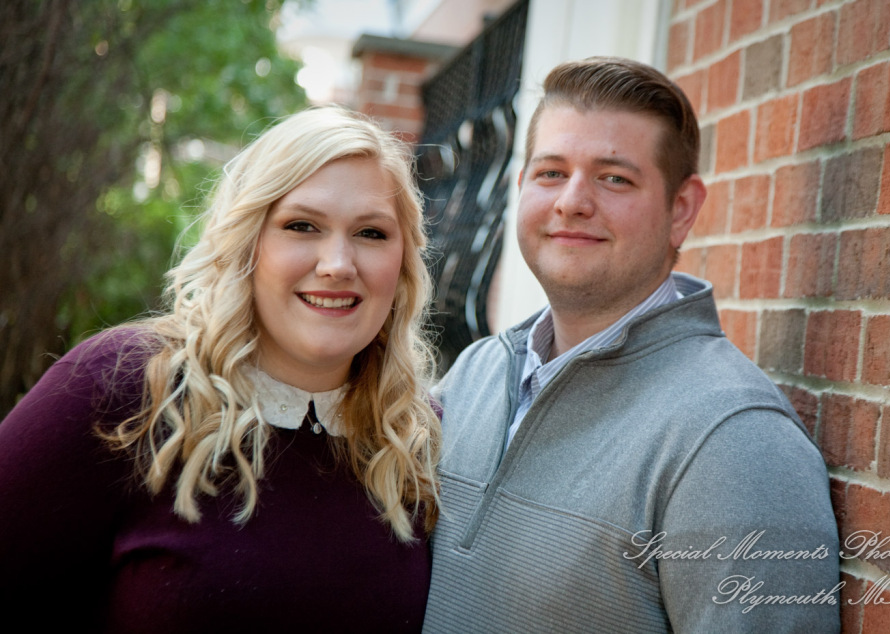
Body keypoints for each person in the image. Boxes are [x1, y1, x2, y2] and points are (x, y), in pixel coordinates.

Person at [423, 57, 840, 632]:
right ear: (520, 186)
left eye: (614, 177)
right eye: (550, 172)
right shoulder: (473, 376)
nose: (572, 201)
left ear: (681, 210)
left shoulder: (734, 439)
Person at [0, 106, 440, 632]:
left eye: (371, 233)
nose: (338, 264)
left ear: (403, 263)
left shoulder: (421, 441)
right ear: (247, 243)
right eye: (301, 226)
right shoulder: (124, 388)